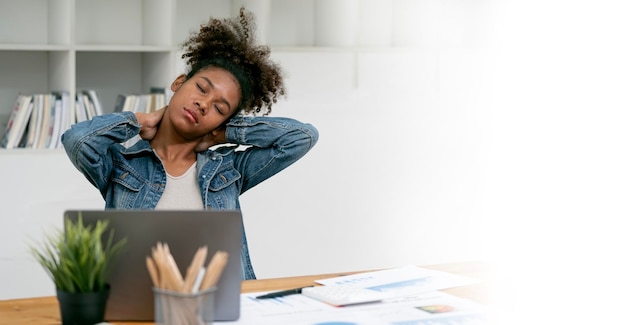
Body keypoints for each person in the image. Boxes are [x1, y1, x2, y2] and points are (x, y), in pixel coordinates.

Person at [61, 8, 319, 280]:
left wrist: (225, 134)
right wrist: (138, 121)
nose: (203, 104)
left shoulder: (229, 170)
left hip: (218, 309)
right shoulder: (121, 164)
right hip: (139, 308)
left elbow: (302, 137)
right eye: (201, 89)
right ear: (179, 82)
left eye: (220, 108)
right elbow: (78, 141)